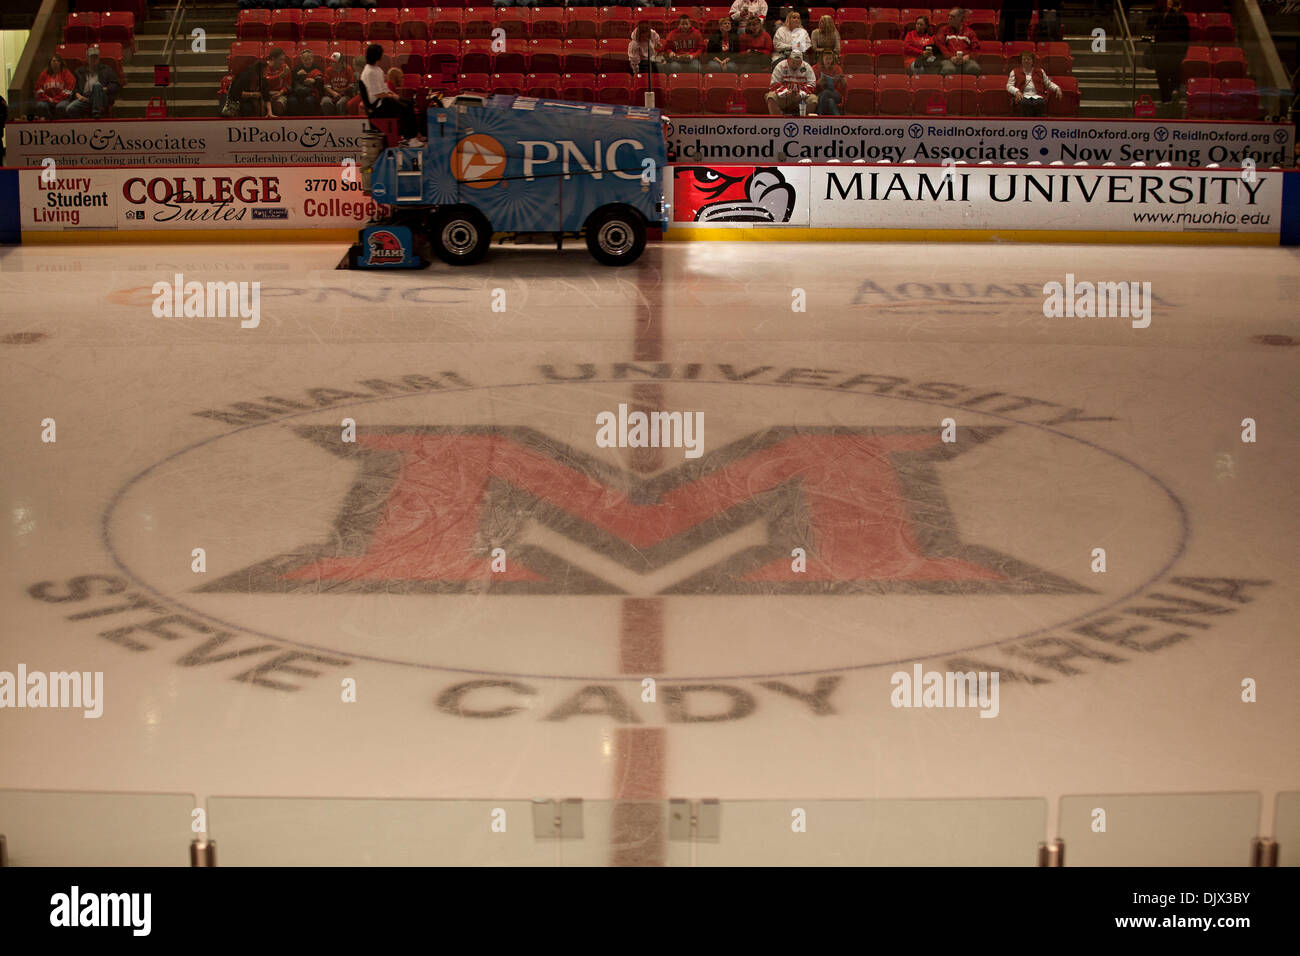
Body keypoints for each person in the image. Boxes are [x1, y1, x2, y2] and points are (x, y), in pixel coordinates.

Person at [360, 43, 419, 140]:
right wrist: (392, 96)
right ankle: (409, 137)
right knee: (404, 108)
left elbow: (384, 88)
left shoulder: (377, 70)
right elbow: (377, 94)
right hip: (377, 105)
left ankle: (412, 136)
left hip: (384, 100)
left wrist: (396, 96)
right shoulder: (369, 72)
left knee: (408, 103)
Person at [1147, 0, 1190, 105]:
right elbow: (1149, 25)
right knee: (1162, 75)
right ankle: (1165, 99)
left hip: (1175, 52)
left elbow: (1185, 37)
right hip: (1161, 51)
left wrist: (1182, 53)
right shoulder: (1159, 13)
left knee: (1174, 74)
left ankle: (1174, 94)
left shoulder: (1181, 17)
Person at [65, 47, 120, 119]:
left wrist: (105, 89)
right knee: (70, 108)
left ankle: (96, 113)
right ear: (87, 59)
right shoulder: (79, 72)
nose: (94, 60)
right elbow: (74, 87)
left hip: (101, 97)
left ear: (99, 59)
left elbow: (116, 85)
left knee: (97, 85)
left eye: (96, 57)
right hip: (85, 98)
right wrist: (78, 96)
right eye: (91, 57)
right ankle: (82, 127)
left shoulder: (107, 70)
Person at [1007, 51, 1060, 115]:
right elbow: (1009, 86)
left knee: (1040, 103)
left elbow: (1048, 83)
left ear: (1032, 61)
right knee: (1025, 103)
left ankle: (1039, 123)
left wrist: (1057, 88)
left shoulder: (1040, 71)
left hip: (1037, 95)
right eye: (1024, 59)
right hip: (1022, 95)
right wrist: (1016, 91)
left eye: (1028, 59)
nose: (1026, 61)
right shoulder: (1014, 71)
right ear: (1021, 61)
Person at [766, 48, 816, 114]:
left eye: (798, 63)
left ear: (801, 62)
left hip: (800, 97)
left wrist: (800, 94)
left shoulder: (806, 67)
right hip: (784, 96)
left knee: (813, 99)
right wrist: (786, 92)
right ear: (789, 59)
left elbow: (812, 84)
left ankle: (804, 121)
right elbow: (774, 84)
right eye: (793, 62)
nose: (795, 65)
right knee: (771, 96)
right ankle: (777, 120)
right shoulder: (780, 66)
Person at [937, 8, 981, 76]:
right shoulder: (943, 30)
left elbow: (976, 48)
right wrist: (951, 57)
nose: (949, 18)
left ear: (960, 18)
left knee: (974, 68)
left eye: (952, 16)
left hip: (965, 60)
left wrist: (968, 56)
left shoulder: (969, 32)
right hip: (949, 59)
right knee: (948, 69)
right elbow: (940, 46)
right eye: (949, 15)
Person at [35, 53, 76, 120]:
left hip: (62, 99)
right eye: (53, 60)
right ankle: (49, 123)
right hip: (46, 99)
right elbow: (38, 88)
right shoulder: (45, 73)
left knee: (61, 107)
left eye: (57, 61)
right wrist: (48, 98)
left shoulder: (66, 73)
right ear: (50, 63)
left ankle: (57, 124)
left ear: (61, 63)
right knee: (40, 105)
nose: (55, 62)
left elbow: (69, 90)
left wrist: (56, 99)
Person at [288, 49, 324, 116]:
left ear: (312, 59)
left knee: (309, 101)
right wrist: (297, 75)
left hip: (311, 93)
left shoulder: (317, 68)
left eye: (309, 59)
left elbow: (321, 84)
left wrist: (314, 81)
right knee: (292, 101)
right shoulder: (296, 69)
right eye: (305, 59)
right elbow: (291, 82)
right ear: (301, 59)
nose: (307, 61)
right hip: (297, 93)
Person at [814, 49, 845, 115]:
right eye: (826, 59)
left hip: (835, 94)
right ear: (822, 59)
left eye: (830, 59)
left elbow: (843, 87)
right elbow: (811, 85)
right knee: (830, 101)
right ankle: (837, 118)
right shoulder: (815, 68)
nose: (828, 61)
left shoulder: (837, 68)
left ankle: (819, 115)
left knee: (826, 93)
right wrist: (818, 83)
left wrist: (842, 80)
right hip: (819, 94)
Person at [264, 47, 291, 117]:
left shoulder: (285, 67)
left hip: (280, 93)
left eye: (283, 60)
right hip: (265, 94)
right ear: (273, 59)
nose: (283, 62)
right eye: (280, 60)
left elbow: (287, 84)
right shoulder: (265, 67)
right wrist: (280, 76)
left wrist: (281, 92)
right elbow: (266, 82)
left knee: (279, 105)